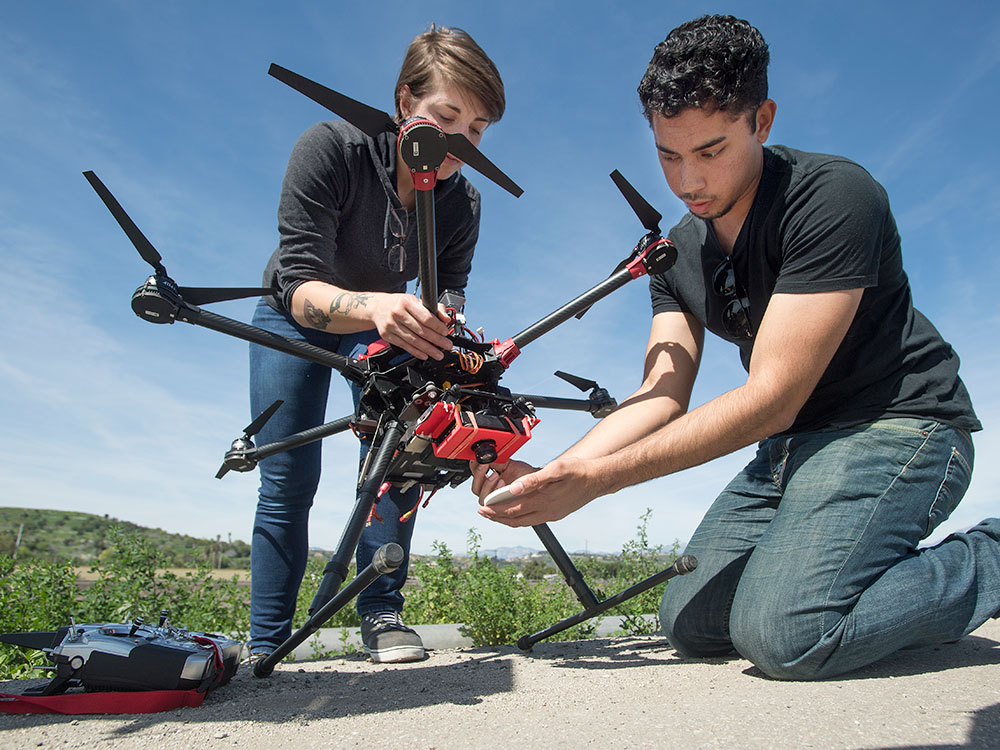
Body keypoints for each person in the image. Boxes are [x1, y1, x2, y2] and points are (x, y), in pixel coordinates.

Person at [472, 14, 999, 680]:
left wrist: (599, 482)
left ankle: (989, 559)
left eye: (711, 151)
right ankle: (845, 570)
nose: (687, 180)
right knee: (690, 624)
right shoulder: (675, 254)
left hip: (898, 427)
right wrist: (557, 474)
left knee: (786, 635)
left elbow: (773, 398)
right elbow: (660, 396)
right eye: (668, 154)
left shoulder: (832, 196)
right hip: (792, 450)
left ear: (763, 120)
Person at [249, 25, 506, 664]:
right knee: (288, 472)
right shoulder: (330, 148)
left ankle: (382, 614)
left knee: (402, 459)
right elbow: (301, 284)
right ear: (403, 103)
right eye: (446, 118)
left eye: (476, 131)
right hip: (295, 313)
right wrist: (377, 307)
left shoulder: (462, 201)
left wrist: (445, 321)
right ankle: (268, 643)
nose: (457, 145)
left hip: (386, 320)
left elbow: (451, 289)